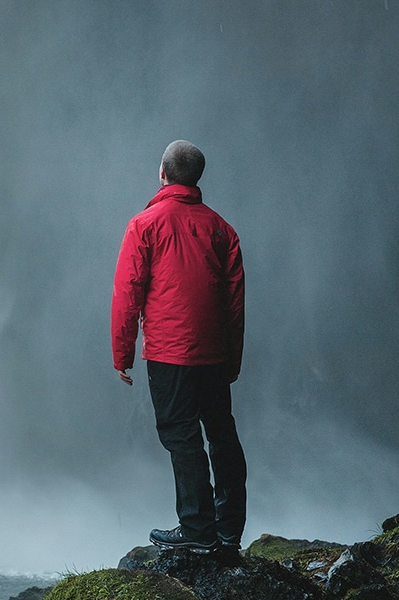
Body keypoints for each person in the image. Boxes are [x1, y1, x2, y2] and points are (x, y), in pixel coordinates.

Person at [111, 140, 247, 552]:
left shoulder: (144, 225)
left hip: (169, 353)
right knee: (221, 433)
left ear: (163, 174)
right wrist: (232, 360)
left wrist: (122, 355)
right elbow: (235, 302)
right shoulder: (223, 229)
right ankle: (228, 531)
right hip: (213, 352)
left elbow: (127, 293)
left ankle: (196, 530)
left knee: (181, 435)